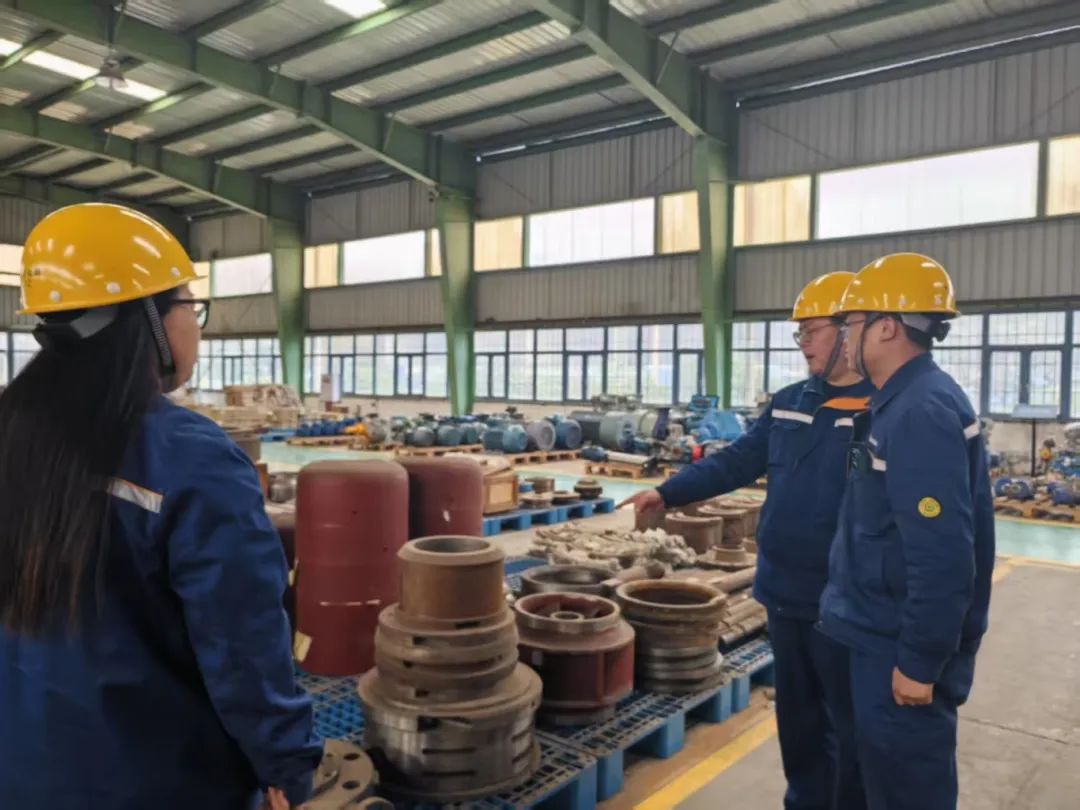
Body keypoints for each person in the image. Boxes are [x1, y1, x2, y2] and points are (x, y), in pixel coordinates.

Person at [0, 204, 322, 809]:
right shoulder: (190, 459)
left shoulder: (14, 436)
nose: (195, 325)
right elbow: (244, 653)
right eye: (189, 307)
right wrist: (288, 769)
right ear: (147, 317)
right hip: (153, 783)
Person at [622, 272, 873, 810]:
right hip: (785, 593)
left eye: (811, 331)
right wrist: (666, 492)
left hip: (848, 600)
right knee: (800, 722)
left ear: (851, 329)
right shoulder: (790, 402)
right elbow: (738, 460)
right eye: (799, 334)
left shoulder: (884, 409)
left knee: (852, 728)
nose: (802, 344)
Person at [818, 253, 995, 810]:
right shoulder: (898, 403)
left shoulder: (920, 411)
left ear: (887, 327)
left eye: (850, 323)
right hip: (874, 630)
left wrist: (920, 661)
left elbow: (943, 554)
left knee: (906, 791)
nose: (844, 338)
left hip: (895, 646)